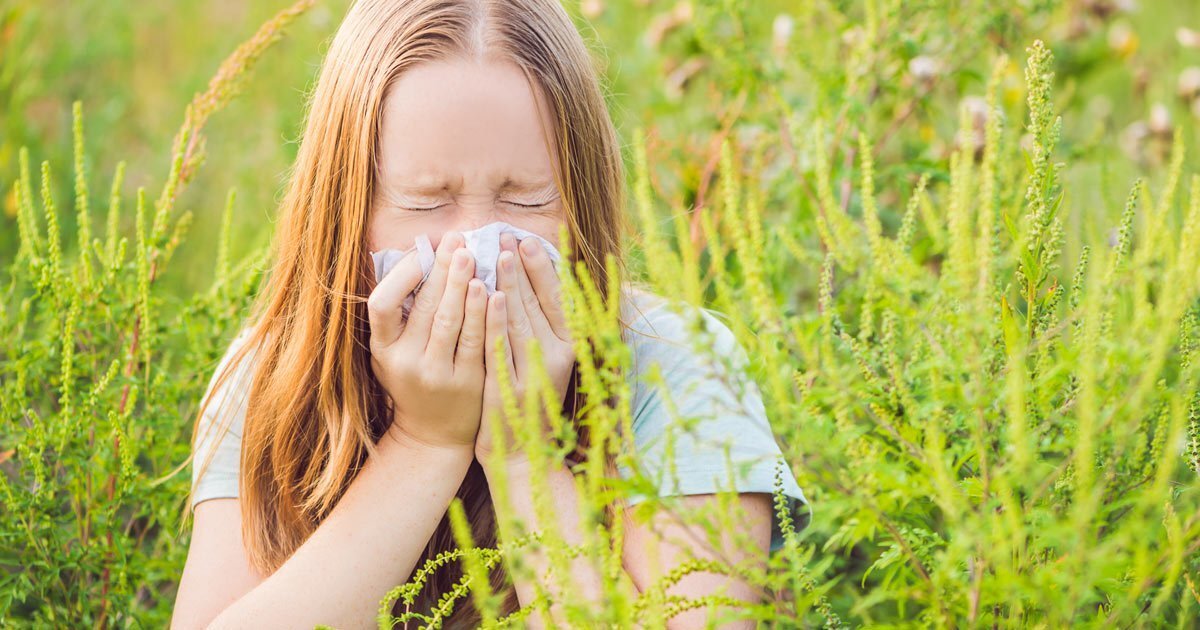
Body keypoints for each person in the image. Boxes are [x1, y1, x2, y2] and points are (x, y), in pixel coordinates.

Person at [169, 0, 810, 627]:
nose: (477, 248)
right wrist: (424, 443)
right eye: (426, 201)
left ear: (581, 203)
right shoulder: (274, 377)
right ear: (346, 212)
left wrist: (525, 454)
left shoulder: (676, 364)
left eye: (525, 198)